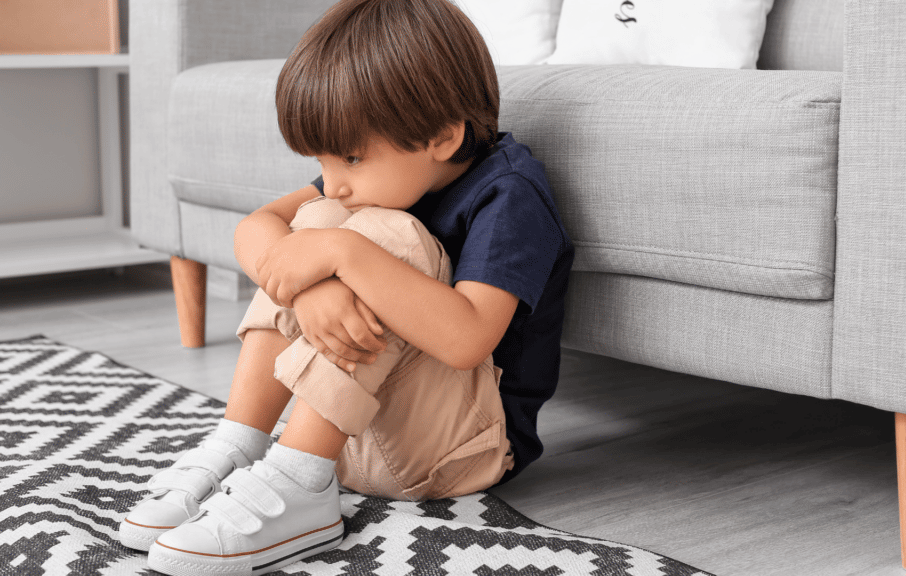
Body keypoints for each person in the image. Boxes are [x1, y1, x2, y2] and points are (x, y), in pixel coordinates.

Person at [118, 0, 575, 574]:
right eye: (322, 160)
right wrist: (312, 287)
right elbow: (256, 228)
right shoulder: (381, 175)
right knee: (311, 225)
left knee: (371, 235)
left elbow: (467, 340)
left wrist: (343, 254)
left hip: (461, 453)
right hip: (351, 439)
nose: (335, 181)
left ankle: (300, 487)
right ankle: (240, 446)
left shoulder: (510, 195)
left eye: (351, 158)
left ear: (441, 135)